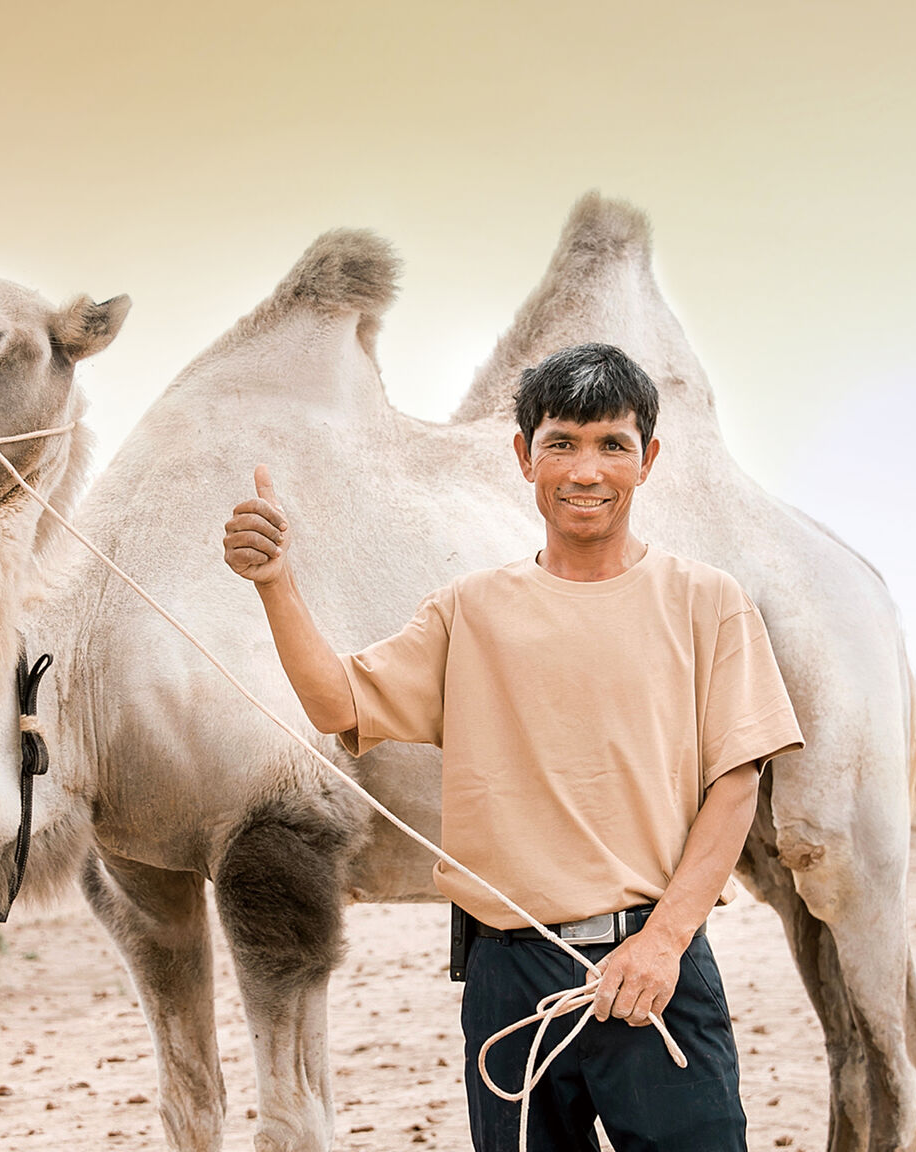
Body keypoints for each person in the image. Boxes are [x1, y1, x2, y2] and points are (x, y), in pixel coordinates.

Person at [221, 342, 803, 1151]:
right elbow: (334, 699)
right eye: (561, 443)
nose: (585, 470)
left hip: (653, 971)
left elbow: (737, 784)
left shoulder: (708, 603)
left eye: (612, 445)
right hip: (511, 981)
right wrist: (276, 582)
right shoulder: (469, 612)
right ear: (525, 456)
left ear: (648, 461)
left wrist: (663, 943)